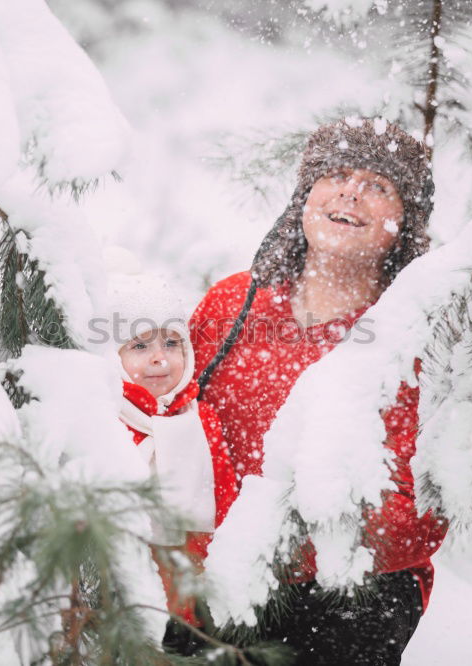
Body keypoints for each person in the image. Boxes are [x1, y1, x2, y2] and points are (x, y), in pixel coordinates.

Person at [188, 117, 449, 665]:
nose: (350, 192)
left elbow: (423, 508)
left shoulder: (418, 336)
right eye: (335, 175)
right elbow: (175, 421)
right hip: (214, 568)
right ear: (305, 197)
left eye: (379, 186)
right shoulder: (232, 303)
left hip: (349, 589)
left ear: (406, 222)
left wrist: (281, 550)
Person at [105, 267, 238, 628]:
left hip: (193, 601)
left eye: (171, 343)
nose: (159, 358)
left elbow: (224, 498)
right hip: (125, 608)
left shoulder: (201, 419)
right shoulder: (106, 422)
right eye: (139, 345)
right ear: (111, 357)